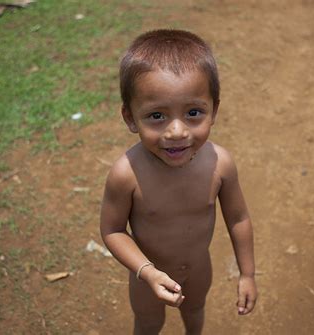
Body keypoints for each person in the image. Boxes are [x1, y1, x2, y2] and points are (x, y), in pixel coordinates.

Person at [100, 29, 257, 335]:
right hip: (147, 276)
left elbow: (238, 218)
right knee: (148, 323)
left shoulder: (220, 164)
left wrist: (247, 273)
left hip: (199, 269)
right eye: (157, 115)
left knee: (196, 311)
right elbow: (112, 230)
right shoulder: (127, 173)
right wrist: (146, 272)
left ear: (214, 111)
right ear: (130, 118)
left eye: (193, 112)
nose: (176, 131)